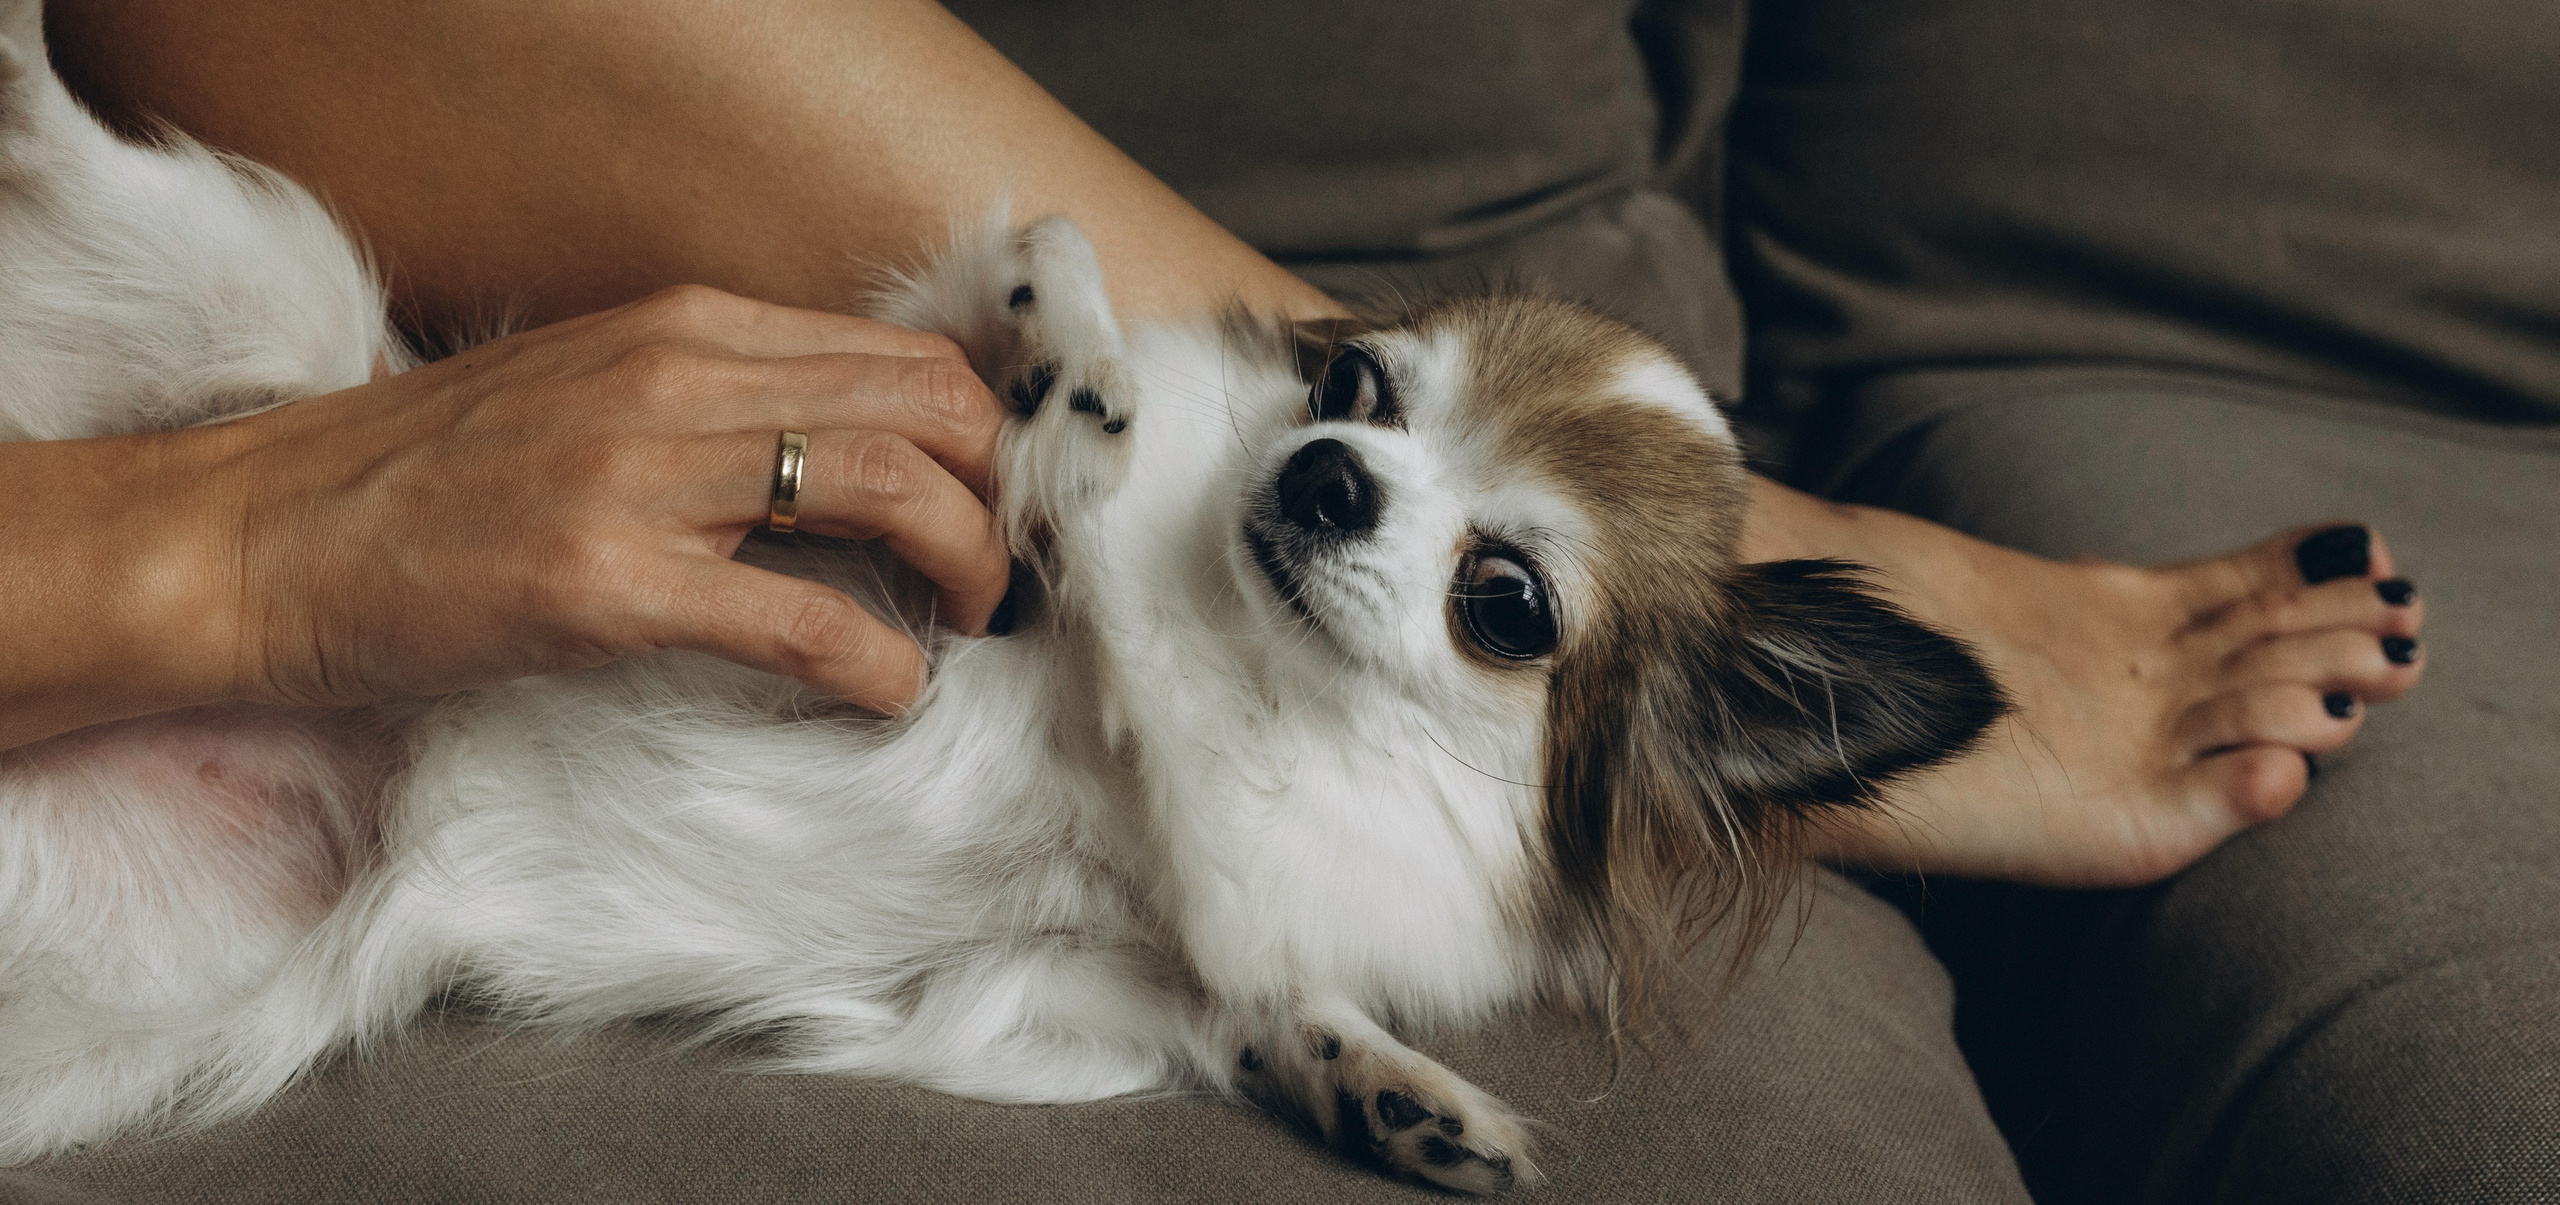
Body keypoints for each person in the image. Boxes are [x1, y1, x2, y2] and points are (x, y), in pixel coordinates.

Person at [6, 1, 2492, 1201]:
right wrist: (239, 543)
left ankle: (1676, 591)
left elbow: (1045, 976)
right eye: (1361, 402)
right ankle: (1668, 602)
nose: (1344, 486)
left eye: (1494, 592)